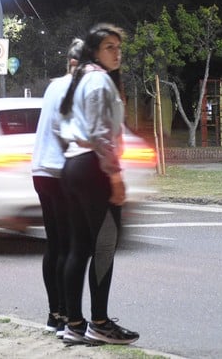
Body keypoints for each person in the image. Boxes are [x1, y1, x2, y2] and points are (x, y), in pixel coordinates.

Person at [56, 23, 139, 346]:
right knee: (104, 247)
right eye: (109, 47)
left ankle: (74, 324)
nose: (117, 53)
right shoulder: (99, 81)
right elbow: (101, 134)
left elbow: (67, 125)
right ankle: (100, 323)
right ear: (94, 51)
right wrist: (115, 175)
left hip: (73, 165)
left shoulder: (78, 80)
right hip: (93, 169)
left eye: (119, 47)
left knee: (79, 248)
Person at [31, 37, 83, 339]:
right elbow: (63, 128)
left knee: (55, 245)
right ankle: (67, 316)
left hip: (41, 170)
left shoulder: (54, 85)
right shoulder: (71, 88)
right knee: (68, 246)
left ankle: (55, 314)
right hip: (58, 170)